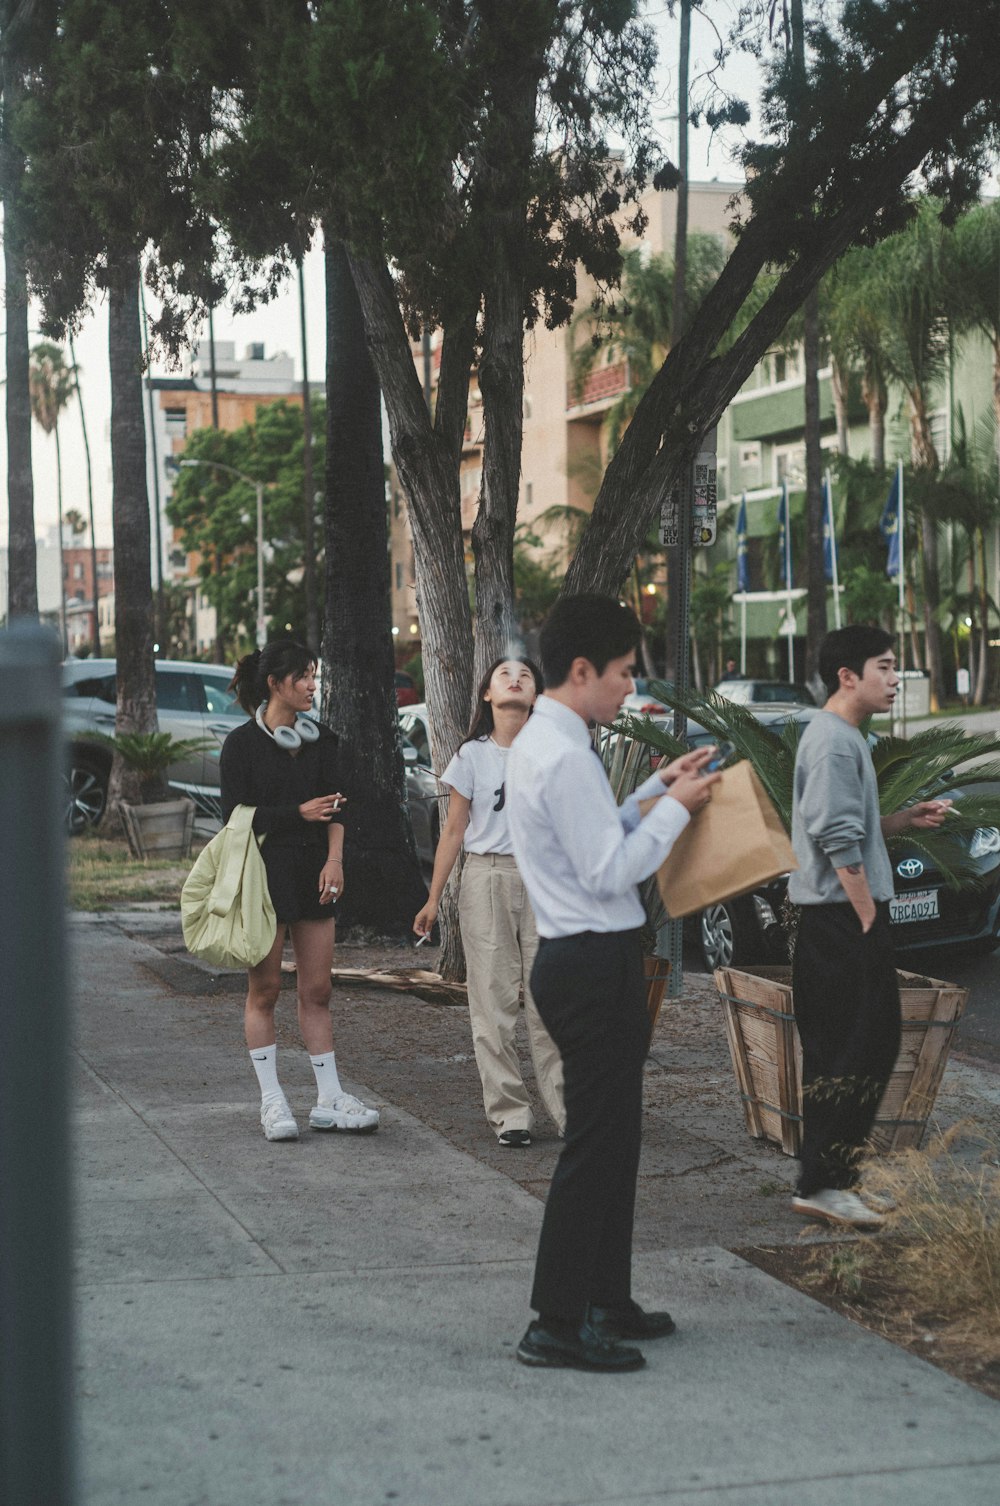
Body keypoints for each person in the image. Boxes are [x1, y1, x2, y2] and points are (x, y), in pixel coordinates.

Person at [506, 594, 720, 1373]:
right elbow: (608, 869)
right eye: (626, 673)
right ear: (583, 669)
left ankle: (605, 1299)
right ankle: (556, 1323)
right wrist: (677, 813)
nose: (632, 688)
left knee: (616, 1139)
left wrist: (652, 792)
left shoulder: (555, 740)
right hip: (590, 961)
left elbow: (592, 833)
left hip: (586, 960)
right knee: (595, 1146)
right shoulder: (562, 752)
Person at [788, 625, 949, 1228]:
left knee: (852, 1050)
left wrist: (904, 818)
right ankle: (825, 1185)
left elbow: (849, 823)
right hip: (842, 923)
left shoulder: (840, 738)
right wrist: (866, 918)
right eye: (884, 666)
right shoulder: (832, 741)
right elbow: (835, 839)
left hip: (839, 922)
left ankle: (827, 1183)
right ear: (847, 676)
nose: (894, 678)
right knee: (858, 1050)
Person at [219, 639, 380, 1142]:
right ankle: (272, 1102)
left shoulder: (322, 741)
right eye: (305, 677)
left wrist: (335, 860)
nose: (314, 685)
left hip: (314, 873)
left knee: (317, 989)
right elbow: (233, 819)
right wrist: (296, 814)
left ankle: (329, 1098)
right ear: (275, 683)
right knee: (264, 989)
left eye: (315, 676)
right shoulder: (240, 746)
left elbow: (337, 808)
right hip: (261, 878)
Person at [413, 657, 564, 1147]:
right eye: (504, 674)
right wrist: (434, 898)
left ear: (537, 695)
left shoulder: (553, 752)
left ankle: (570, 1113)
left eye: (525, 675)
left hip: (543, 881)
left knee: (552, 1002)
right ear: (486, 695)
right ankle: (511, 1114)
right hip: (487, 877)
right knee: (492, 1002)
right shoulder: (471, 756)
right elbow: (453, 830)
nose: (515, 678)